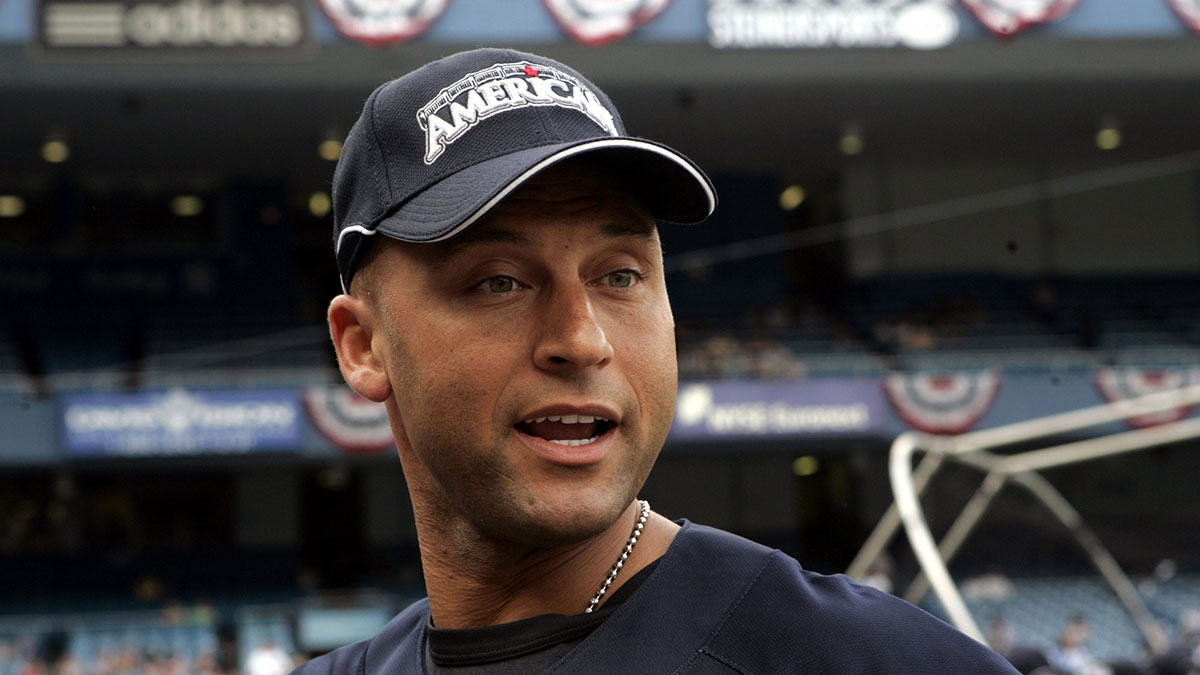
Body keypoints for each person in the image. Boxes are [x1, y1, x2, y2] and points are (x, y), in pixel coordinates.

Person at [293, 47, 1019, 674]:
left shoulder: (872, 660)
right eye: (499, 281)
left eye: (619, 275)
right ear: (363, 346)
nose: (582, 339)